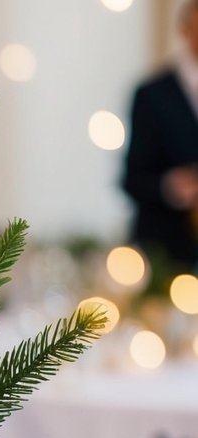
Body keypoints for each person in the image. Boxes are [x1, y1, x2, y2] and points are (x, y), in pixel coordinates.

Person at [123, 0, 198, 269]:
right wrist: (171, 186)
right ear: (185, 30)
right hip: (167, 251)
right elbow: (131, 179)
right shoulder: (152, 95)